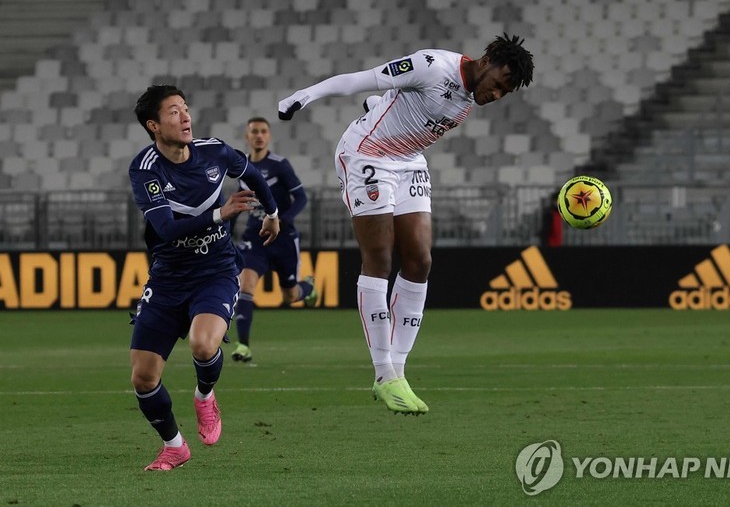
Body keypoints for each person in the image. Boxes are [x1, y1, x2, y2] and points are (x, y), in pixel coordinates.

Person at [278, 34, 534, 415]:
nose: (496, 96)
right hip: (366, 154)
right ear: (486, 61)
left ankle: (398, 371)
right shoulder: (431, 65)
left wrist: (376, 106)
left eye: (504, 94)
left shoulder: (469, 97)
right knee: (379, 258)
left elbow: (400, 109)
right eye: (497, 85)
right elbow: (361, 79)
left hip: (409, 163)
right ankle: (384, 375)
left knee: (420, 261)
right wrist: (303, 96)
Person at [128, 85, 280, 471]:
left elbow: (253, 175)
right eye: (173, 112)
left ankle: (204, 396)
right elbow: (164, 228)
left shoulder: (214, 151)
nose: (184, 117)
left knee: (202, 343)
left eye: (185, 108)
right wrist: (220, 214)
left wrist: (273, 213)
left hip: (215, 271)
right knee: (143, 378)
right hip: (167, 279)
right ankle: (175, 446)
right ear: (154, 125)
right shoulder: (145, 169)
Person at [231, 117, 318, 363]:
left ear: (269, 136)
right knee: (245, 286)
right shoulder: (242, 166)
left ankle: (309, 288)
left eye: (263, 131)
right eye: (254, 132)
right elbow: (242, 199)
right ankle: (243, 346)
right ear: (247, 137)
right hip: (255, 238)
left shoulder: (280, 165)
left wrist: (283, 219)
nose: (259, 135)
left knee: (290, 296)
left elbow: (301, 198)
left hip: (283, 240)